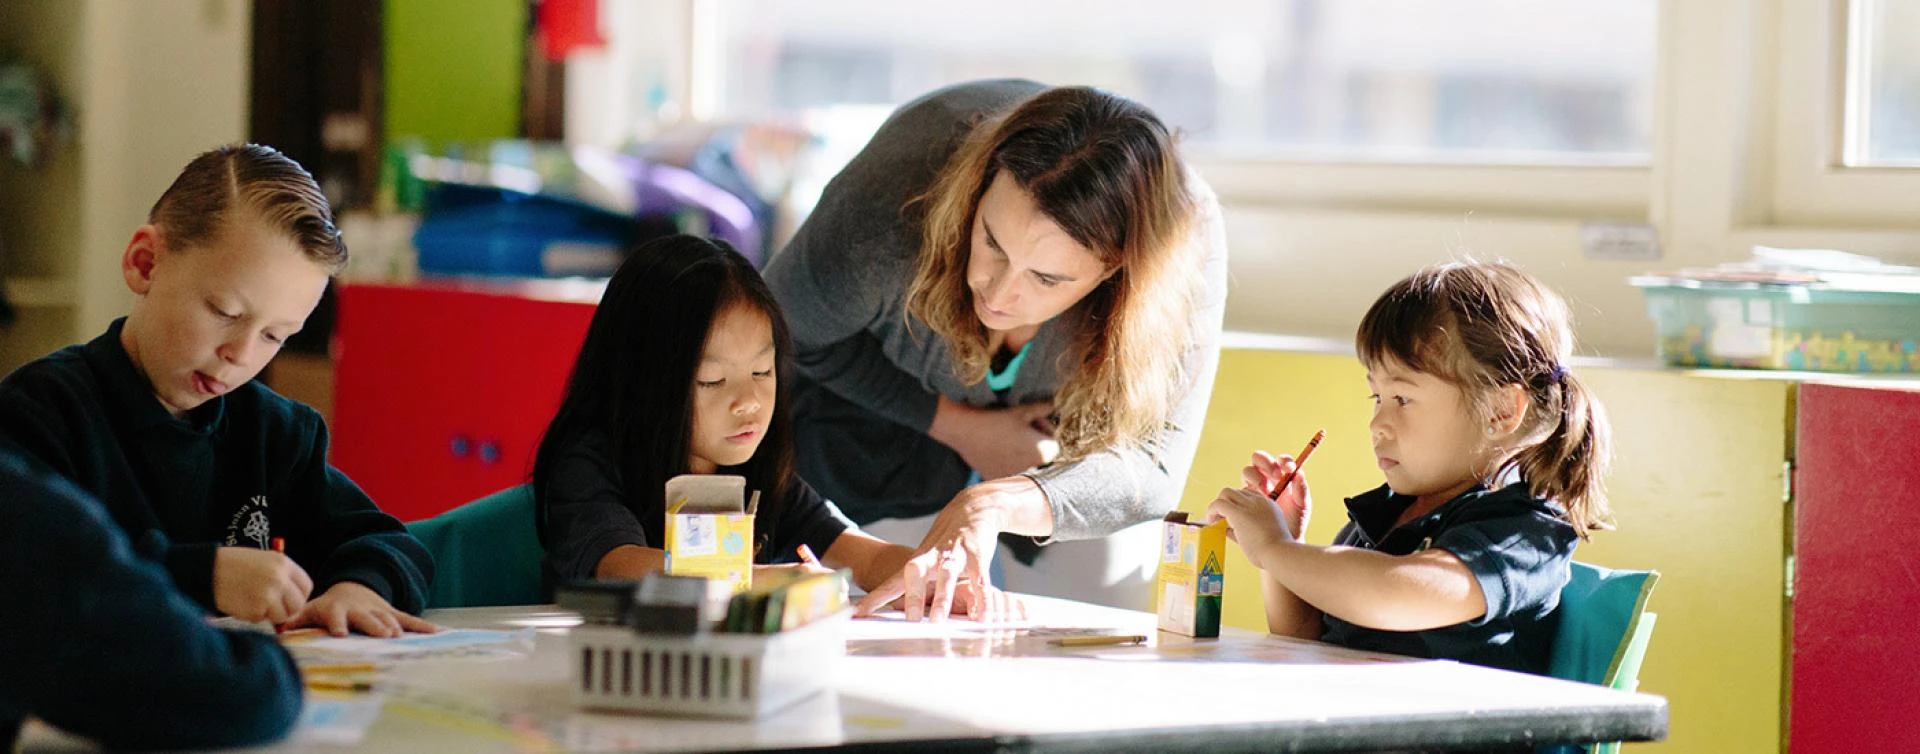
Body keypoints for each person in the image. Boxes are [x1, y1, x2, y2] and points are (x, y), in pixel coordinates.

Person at [763, 79, 1227, 618]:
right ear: (977, 190)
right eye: (992, 242)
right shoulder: (883, 217)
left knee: (1106, 603)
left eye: (1048, 278)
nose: (999, 292)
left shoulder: (1183, 244)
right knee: (897, 612)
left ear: (1117, 271)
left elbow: (1153, 466)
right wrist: (959, 426)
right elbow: (780, 336)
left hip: (1064, 448)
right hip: (884, 429)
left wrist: (998, 501)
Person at [0, 143, 434, 637]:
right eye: (225, 312)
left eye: (275, 336)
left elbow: (390, 542)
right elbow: (30, 573)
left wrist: (360, 586)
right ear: (145, 264)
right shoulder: (40, 412)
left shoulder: (277, 434)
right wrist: (202, 575)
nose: (242, 353)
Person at [534, 234, 1022, 620]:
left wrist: (935, 578)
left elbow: (860, 556)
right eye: (713, 379)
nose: (747, 401)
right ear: (640, 381)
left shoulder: (760, 473)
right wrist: (765, 580)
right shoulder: (590, 459)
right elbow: (622, 566)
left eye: (762, 372)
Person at [1204, 261, 1611, 675]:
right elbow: (1303, 639)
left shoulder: (1524, 532)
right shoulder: (1385, 516)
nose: (1377, 424)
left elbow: (1392, 593)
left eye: (1401, 398)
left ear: (1501, 409)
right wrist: (1285, 548)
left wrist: (1276, 548)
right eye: (1375, 397)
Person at [0, 446, 304, 752]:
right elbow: (238, 690)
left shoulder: (282, 428)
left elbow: (345, 526)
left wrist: (352, 575)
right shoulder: (30, 494)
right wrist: (201, 573)